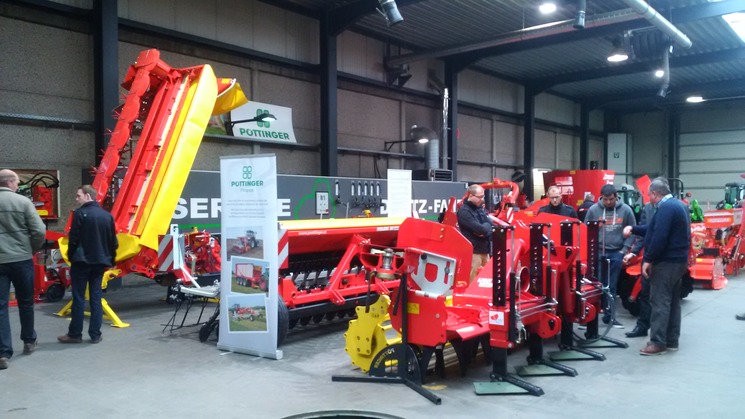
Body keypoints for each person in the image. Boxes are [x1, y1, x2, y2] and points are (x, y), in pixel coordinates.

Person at [623, 178, 690, 356]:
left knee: (659, 301)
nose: (648, 199)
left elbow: (659, 237)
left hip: (666, 263)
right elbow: (652, 228)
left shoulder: (666, 209)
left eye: (649, 195)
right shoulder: (676, 206)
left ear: (654, 194)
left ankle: (658, 342)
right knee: (673, 302)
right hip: (678, 262)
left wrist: (648, 259)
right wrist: (634, 229)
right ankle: (671, 340)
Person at [58, 185, 118, 345]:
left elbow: (74, 238)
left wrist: (71, 256)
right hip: (100, 262)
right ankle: (95, 334)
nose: (76, 199)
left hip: (82, 262)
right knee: (96, 297)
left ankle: (75, 334)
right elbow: (113, 241)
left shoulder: (80, 214)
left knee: (78, 297)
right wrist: (111, 261)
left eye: (78, 196)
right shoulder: (107, 216)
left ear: (87, 196)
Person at [0, 169, 46, 370]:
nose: (18, 186)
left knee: (0, 307)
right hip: (21, 259)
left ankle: (3, 352)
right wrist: (31, 249)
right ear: (9, 182)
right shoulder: (23, 202)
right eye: (17, 182)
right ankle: (28, 341)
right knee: (26, 301)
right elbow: (39, 230)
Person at [585, 184, 636, 328]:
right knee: (594, 285)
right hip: (597, 252)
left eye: (611, 199)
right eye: (605, 199)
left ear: (616, 196)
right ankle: (591, 318)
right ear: (601, 196)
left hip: (616, 252)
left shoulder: (626, 210)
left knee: (611, 286)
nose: (608, 202)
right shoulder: (593, 210)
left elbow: (633, 231)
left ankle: (610, 317)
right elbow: (585, 230)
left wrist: (624, 250)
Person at [624, 202, 656, 338]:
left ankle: (663, 333)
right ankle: (642, 326)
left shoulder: (674, 208)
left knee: (663, 298)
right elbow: (643, 232)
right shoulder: (648, 209)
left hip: (665, 260)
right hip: (648, 258)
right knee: (645, 294)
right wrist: (634, 252)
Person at [457, 184, 493, 283]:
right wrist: (485, 230)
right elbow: (480, 229)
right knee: (473, 281)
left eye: (483, 196)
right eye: (480, 197)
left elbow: (490, 226)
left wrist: (486, 231)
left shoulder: (479, 209)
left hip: (485, 251)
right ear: (471, 196)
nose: (482, 199)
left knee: (487, 281)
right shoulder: (464, 212)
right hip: (474, 253)